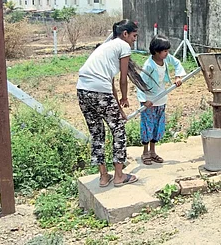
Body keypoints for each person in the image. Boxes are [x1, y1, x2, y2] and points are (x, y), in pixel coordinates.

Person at [76, 19, 139, 187]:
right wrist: (125, 98)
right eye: (134, 35)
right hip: (99, 92)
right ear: (125, 34)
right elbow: (122, 79)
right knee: (118, 130)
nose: (134, 39)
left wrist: (119, 109)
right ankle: (119, 176)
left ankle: (104, 177)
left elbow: (109, 86)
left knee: (97, 134)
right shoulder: (123, 46)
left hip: (82, 91)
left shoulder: (105, 48)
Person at [137, 35, 186, 165]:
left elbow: (177, 63)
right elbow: (140, 83)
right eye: (164, 51)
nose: (167, 53)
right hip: (149, 101)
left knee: (158, 126)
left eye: (167, 51)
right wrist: (143, 101)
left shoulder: (166, 58)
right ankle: (145, 152)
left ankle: (153, 152)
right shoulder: (149, 65)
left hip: (161, 99)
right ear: (156, 52)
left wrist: (178, 76)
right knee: (148, 126)